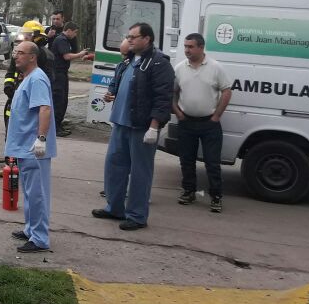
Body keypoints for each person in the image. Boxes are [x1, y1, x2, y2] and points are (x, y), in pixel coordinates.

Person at [92, 22, 174, 231]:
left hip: (141, 127)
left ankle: (137, 216)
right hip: (120, 123)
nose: (129, 40)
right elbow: (121, 86)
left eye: (133, 37)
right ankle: (115, 208)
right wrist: (112, 94)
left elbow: (163, 98)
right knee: (114, 166)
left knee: (140, 172)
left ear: (147, 39)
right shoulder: (128, 61)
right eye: (128, 37)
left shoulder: (159, 63)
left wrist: (154, 126)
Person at [5, 41, 57, 253]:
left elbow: (45, 109)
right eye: (15, 52)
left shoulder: (37, 79)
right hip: (24, 147)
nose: (16, 56)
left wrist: (41, 139)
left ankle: (40, 238)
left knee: (37, 194)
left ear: (32, 57)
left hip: (34, 148)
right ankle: (31, 230)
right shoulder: (27, 77)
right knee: (29, 192)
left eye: (20, 53)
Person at [173, 33, 232, 213]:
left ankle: (216, 197)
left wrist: (217, 116)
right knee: (186, 160)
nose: (186, 50)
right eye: (185, 46)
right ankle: (189, 191)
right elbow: (172, 92)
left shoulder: (215, 67)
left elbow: (227, 91)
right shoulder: (179, 68)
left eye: (190, 47)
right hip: (186, 123)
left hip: (209, 124)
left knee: (212, 162)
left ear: (201, 47)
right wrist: (178, 112)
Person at [100, 35, 133, 197]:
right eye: (121, 54)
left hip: (132, 120)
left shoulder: (140, 67)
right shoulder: (121, 65)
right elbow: (113, 84)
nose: (123, 57)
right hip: (118, 116)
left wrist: (118, 95)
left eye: (125, 54)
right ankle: (114, 188)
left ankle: (133, 191)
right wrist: (109, 94)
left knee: (133, 158)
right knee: (116, 156)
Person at [50, 22, 89, 137]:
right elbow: (66, 56)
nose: (75, 35)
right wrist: (80, 54)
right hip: (58, 74)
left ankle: (58, 125)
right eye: (75, 32)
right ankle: (55, 128)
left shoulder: (65, 40)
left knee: (63, 100)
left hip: (62, 73)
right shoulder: (61, 40)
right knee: (59, 101)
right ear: (69, 30)